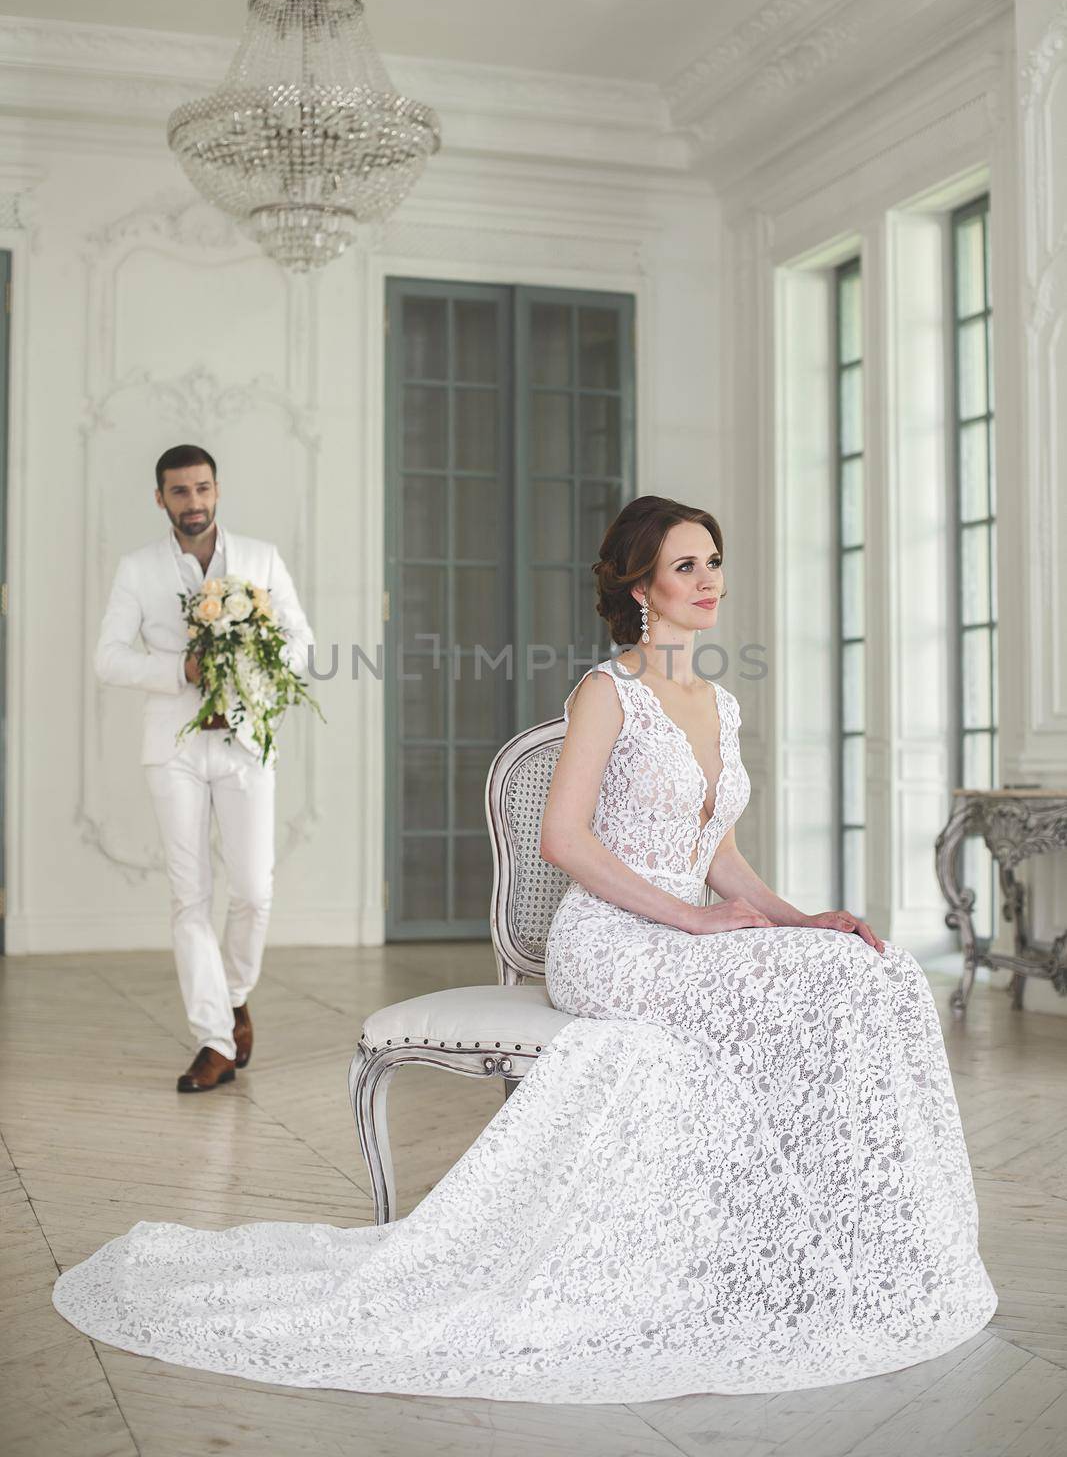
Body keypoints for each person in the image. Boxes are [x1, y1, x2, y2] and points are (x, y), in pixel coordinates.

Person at [53, 494, 997, 1402]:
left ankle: (857, 1237)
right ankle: (796, 1242)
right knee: (813, 993)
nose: (708, 581)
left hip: (679, 934)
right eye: (684, 566)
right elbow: (565, 843)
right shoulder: (606, 692)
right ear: (640, 587)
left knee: (870, 970)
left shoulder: (719, 702)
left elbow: (718, 855)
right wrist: (695, 921)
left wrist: (798, 919)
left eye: (713, 563)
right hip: (612, 941)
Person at [93, 444, 314, 1093]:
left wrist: (252, 662)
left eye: (203, 489)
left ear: (218, 490)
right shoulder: (137, 571)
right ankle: (213, 1040)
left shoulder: (261, 558)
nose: (194, 503)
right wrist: (178, 670)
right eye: (179, 492)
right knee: (189, 897)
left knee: (254, 890)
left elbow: (302, 646)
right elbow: (107, 658)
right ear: (159, 498)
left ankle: (234, 993)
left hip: (247, 743)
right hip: (174, 750)